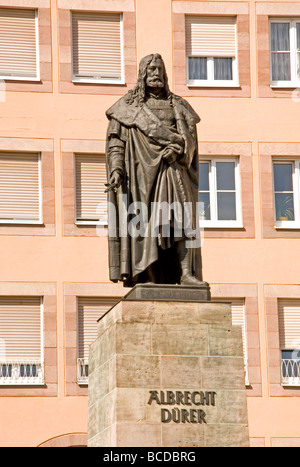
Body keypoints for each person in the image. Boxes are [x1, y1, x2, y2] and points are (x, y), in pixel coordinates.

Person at [105, 53, 203, 287]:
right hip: (140, 178)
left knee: (181, 218)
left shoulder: (179, 105)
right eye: (151, 70)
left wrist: (179, 151)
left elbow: (191, 142)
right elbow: (116, 142)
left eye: (160, 69)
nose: (156, 74)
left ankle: (186, 274)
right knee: (145, 223)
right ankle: (146, 275)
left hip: (173, 171)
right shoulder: (127, 108)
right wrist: (117, 169)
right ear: (142, 74)